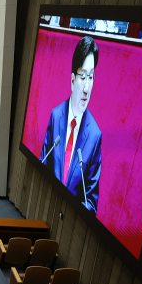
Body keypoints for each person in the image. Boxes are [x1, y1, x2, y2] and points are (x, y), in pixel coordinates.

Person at [39, 36, 102, 213]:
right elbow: (42, 165)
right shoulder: (56, 116)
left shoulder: (95, 136)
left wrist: (72, 209)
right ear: (73, 80)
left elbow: (91, 201)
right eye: (83, 77)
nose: (87, 87)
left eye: (91, 77)